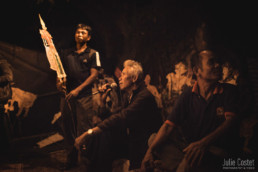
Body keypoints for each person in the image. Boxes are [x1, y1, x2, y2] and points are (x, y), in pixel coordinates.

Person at [141, 50, 240, 172]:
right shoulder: (188, 94)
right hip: (192, 147)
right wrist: (148, 153)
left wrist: (203, 144)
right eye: (212, 62)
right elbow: (168, 126)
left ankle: (179, 166)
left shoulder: (228, 91)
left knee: (189, 161)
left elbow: (230, 122)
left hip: (216, 151)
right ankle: (182, 166)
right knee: (153, 140)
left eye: (218, 62)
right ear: (197, 70)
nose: (218, 65)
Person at [74, 59, 163, 171]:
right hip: (133, 140)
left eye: (123, 75)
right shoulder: (129, 95)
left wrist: (89, 133)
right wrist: (102, 101)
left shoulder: (144, 96)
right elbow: (113, 117)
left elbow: (122, 117)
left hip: (146, 144)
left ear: (134, 78)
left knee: (102, 135)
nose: (119, 78)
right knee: (103, 135)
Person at [57, 23, 101, 170]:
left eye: (83, 33)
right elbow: (60, 73)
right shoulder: (66, 54)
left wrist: (78, 90)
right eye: (78, 32)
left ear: (88, 37)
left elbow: (94, 75)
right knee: (67, 128)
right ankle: (71, 160)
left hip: (84, 97)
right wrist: (59, 83)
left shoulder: (93, 53)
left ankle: (87, 162)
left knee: (84, 129)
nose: (80, 34)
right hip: (67, 96)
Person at [0, 56, 13, 155]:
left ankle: (7, 151)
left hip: (1, 97)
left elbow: (9, 76)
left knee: (3, 127)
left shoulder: (2, 62)